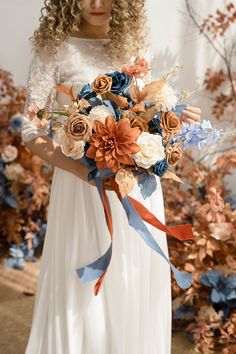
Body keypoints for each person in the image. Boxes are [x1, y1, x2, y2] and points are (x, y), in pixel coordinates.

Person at [22, 1, 202, 353]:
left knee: (132, 278)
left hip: (134, 187)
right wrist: (83, 173)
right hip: (81, 188)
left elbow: (143, 111)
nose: (96, 3)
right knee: (82, 288)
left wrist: (174, 118)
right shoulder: (55, 50)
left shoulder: (134, 46)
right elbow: (30, 131)